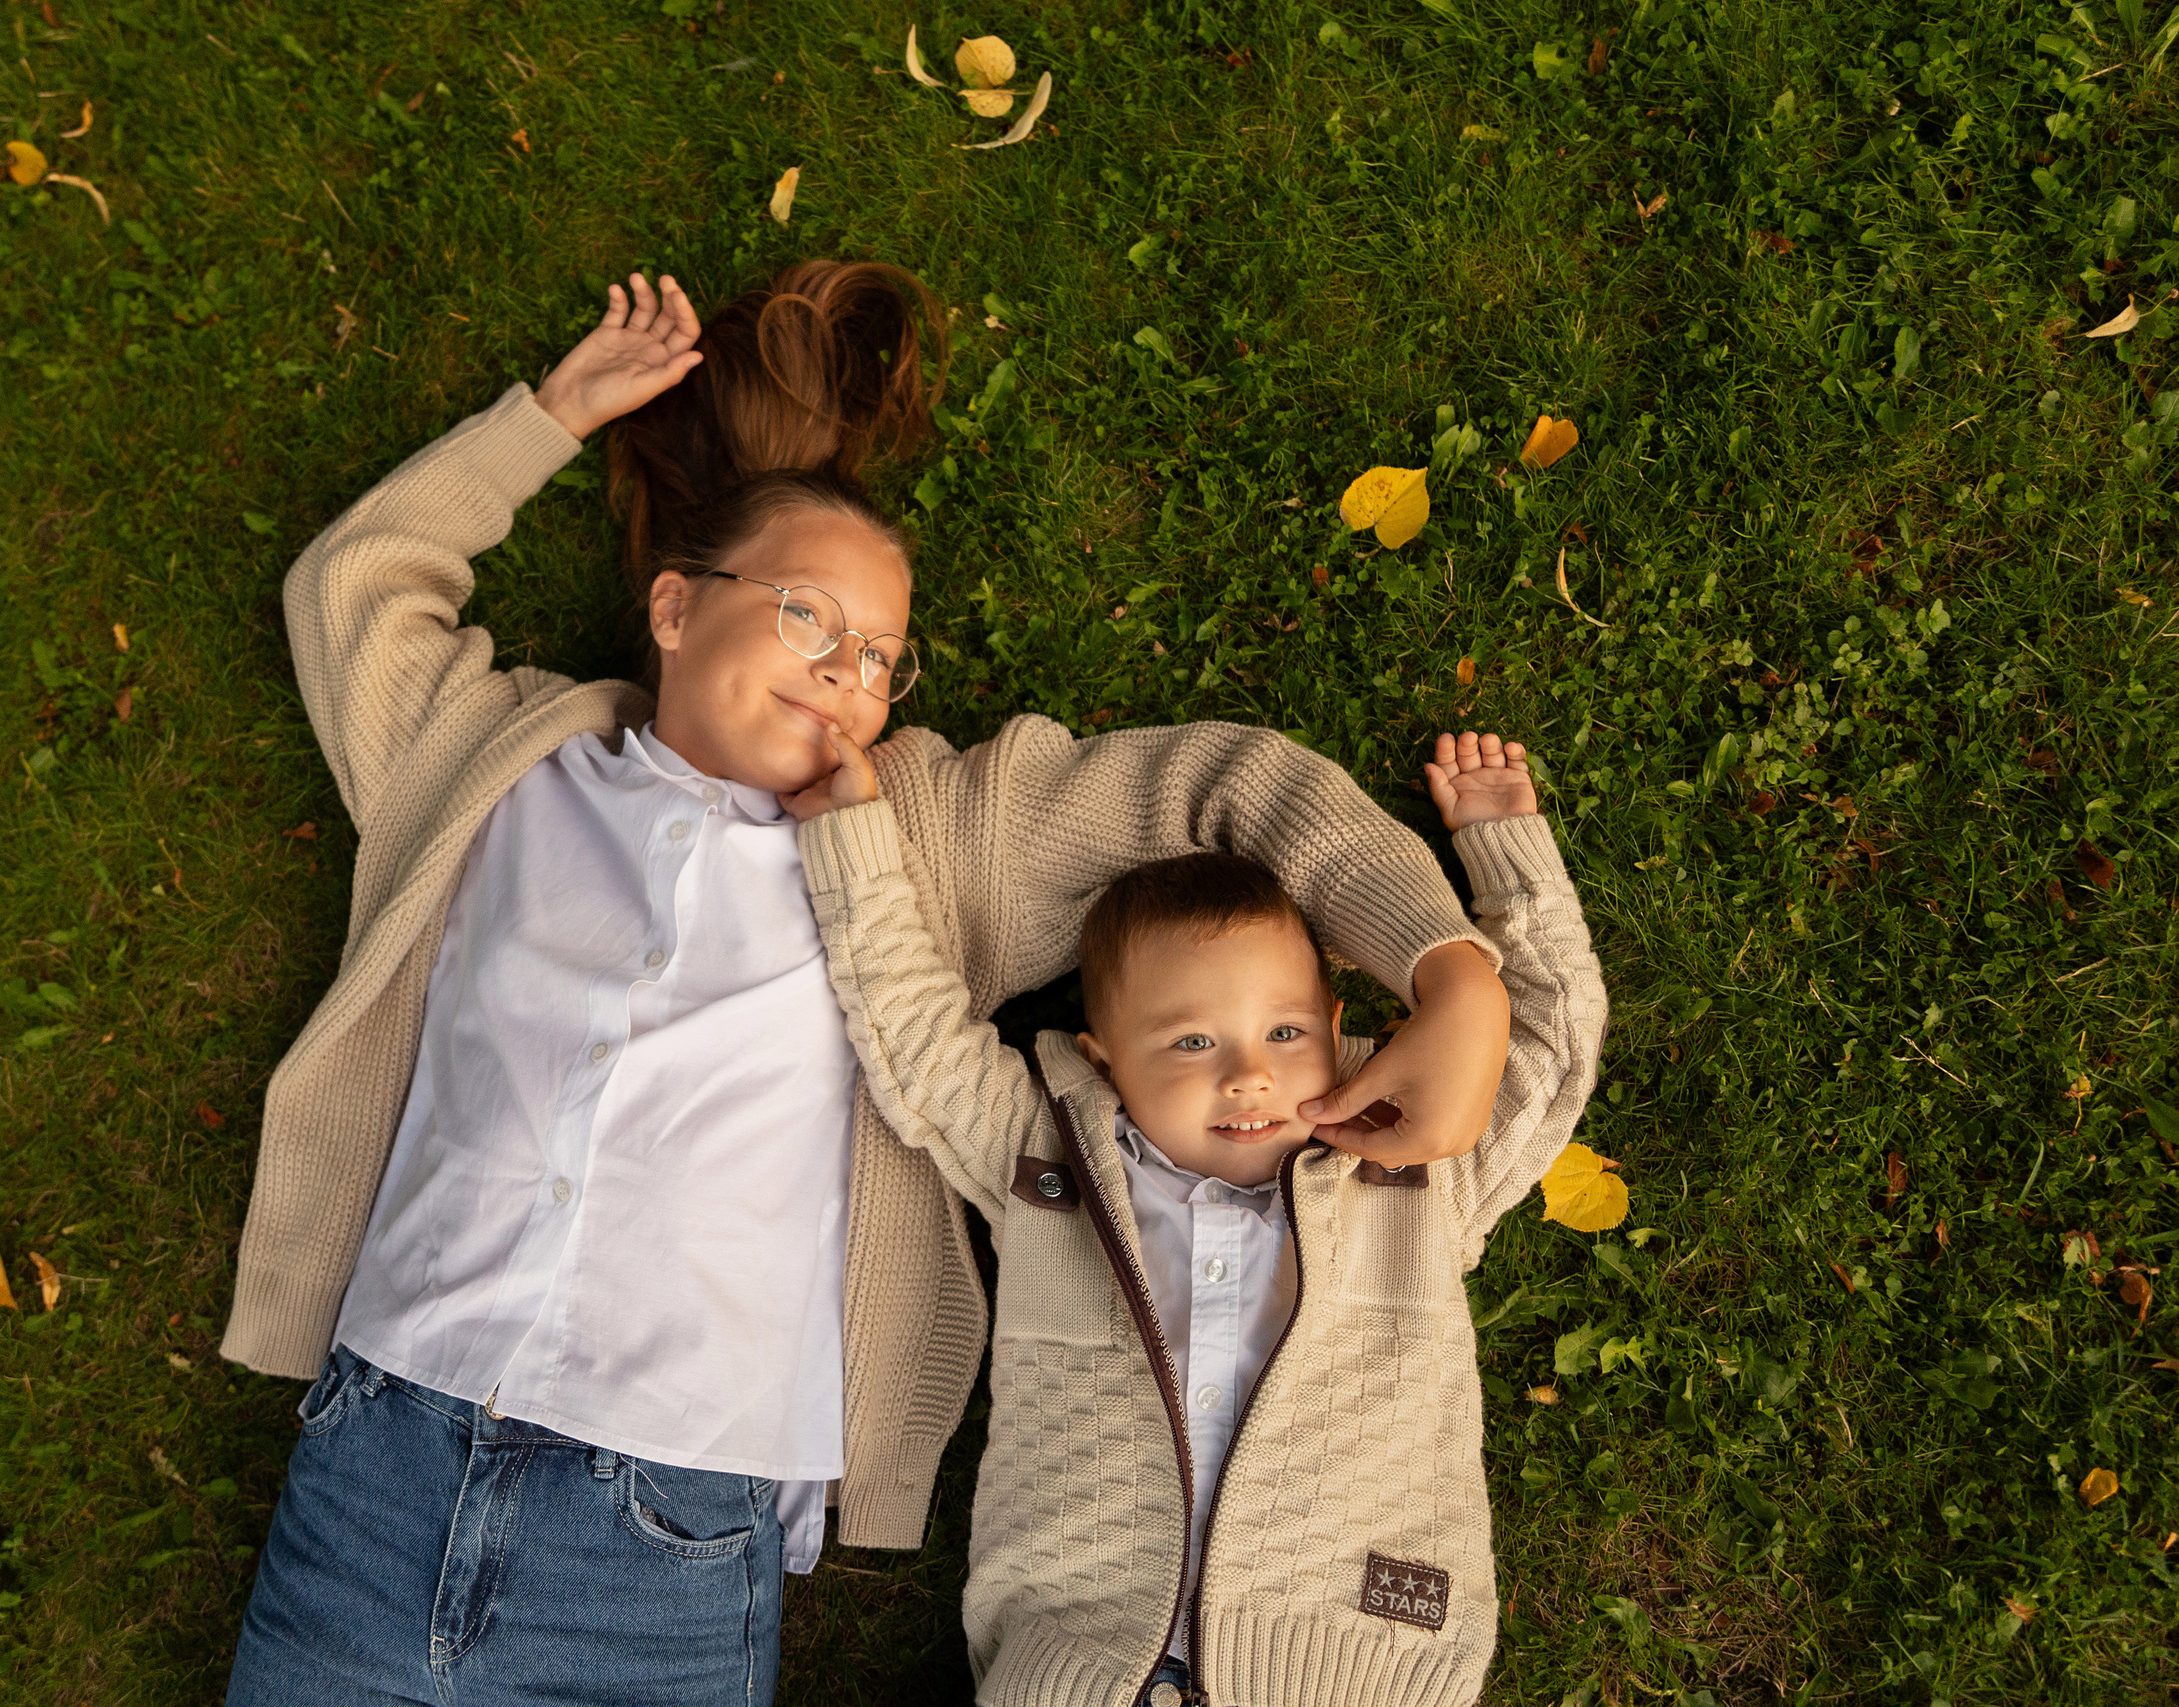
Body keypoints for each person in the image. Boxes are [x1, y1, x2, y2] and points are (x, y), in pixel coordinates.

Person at [219, 261, 1518, 1705]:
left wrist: (1446, 966)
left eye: (881, 658)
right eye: (806, 621)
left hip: (668, 1528)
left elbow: (1228, 786)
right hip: (377, 1461)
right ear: (669, 606)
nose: (848, 674)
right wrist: (550, 414)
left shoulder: (933, 831)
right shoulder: (498, 764)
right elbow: (354, 586)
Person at [785, 727, 1607, 1707]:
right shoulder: (1043, 1156)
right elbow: (911, 1032)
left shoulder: (1409, 1171)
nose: (1248, 1072)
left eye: (1286, 1032)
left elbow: (1549, 1043)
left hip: (1351, 1663)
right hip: (1076, 1667)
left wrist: (1505, 845)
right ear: (1101, 1062)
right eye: (1188, 1041)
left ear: (1338, 1033)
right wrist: (851, 840)